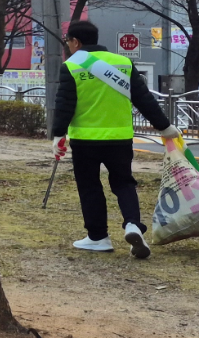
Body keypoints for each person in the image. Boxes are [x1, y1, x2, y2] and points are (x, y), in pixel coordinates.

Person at [51, 20, 178, 259]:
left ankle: (98, 238)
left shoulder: (71, 66)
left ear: (76, 41)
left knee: (90, 187)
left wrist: (58, 134)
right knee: (124, 183)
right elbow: (144, 99)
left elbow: (64, 105)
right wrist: (165, 127)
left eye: (68, 42)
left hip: (85, 139)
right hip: (120, 137)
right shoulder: (123, 62)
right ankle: (132, 225)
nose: (68, 46)